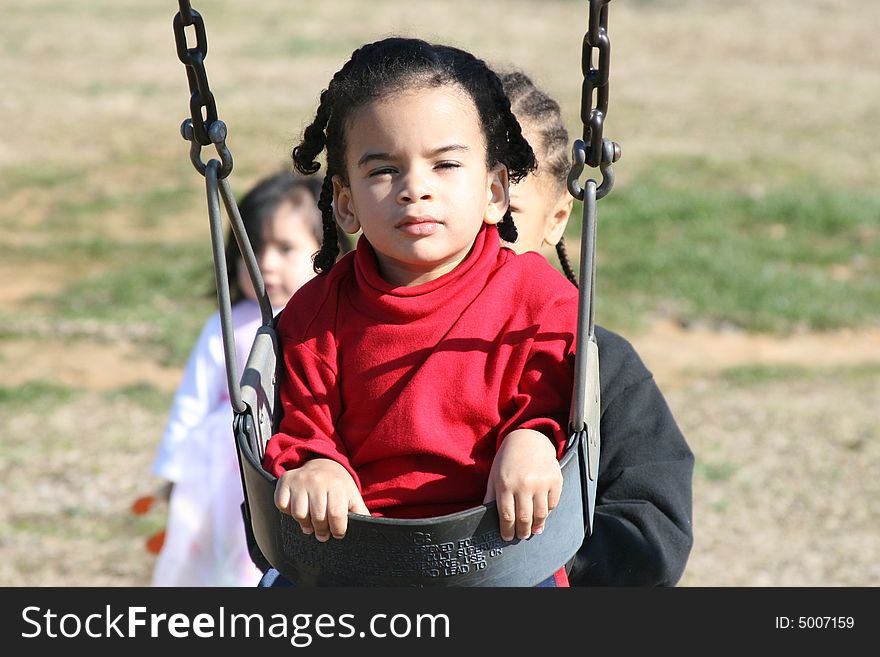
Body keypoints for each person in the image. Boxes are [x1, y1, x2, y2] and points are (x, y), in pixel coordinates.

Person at [260, 37, 577, 587]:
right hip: (357, 555)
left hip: (499, 555)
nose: (415, 190)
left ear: (495, 190)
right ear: (345, 201)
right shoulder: (317, 311)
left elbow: (559, 393)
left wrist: (532, 438)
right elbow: (300, 422)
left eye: (446, 165)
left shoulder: (537, 297)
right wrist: (316, 465)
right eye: (383, 171)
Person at [500, 68, 695, 585]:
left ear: (557, 219)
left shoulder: (597, 363)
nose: (478, 240)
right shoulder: (348, 345)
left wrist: (526, 567)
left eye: (507, 214)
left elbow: (650, 530)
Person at [149, 171, 326, 586]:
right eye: (254, 247)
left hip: (295, 469)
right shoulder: (226, 326)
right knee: (226, 566)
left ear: (327, 250)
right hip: (223, 474)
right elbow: (192, 401)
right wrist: (174, 474)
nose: (265, 262)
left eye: (285, 248)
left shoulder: (327, 323)